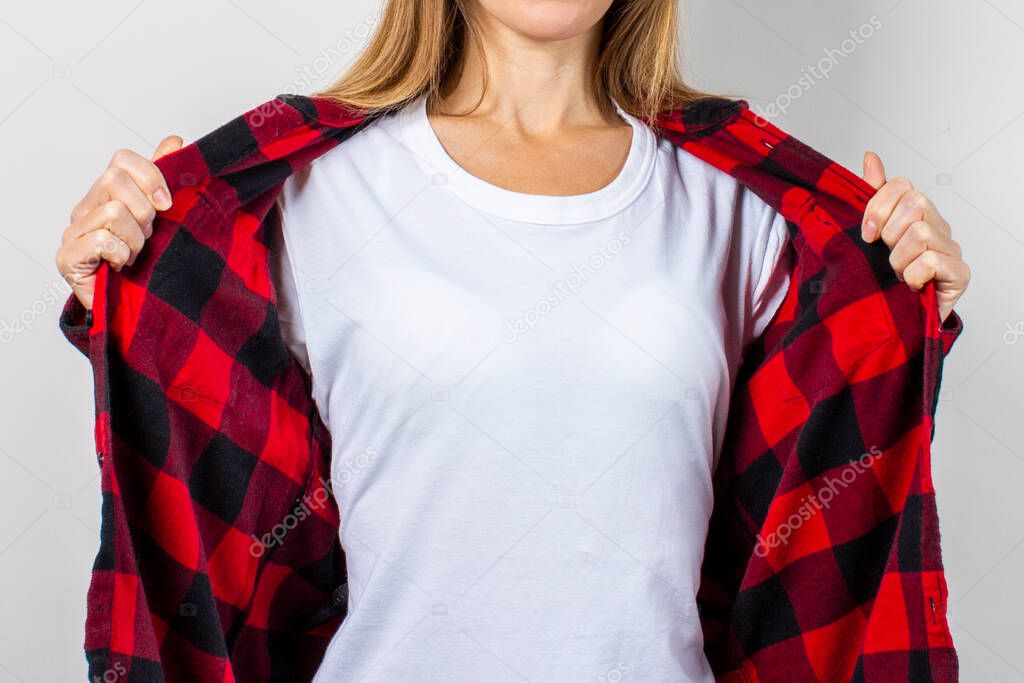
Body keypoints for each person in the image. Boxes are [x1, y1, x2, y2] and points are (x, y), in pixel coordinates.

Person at [53, 1, 969, 681]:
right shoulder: (304, 195)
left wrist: (906, 297)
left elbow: (822, 509)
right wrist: (127, 276)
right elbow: (213, 511)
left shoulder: (747, 208)